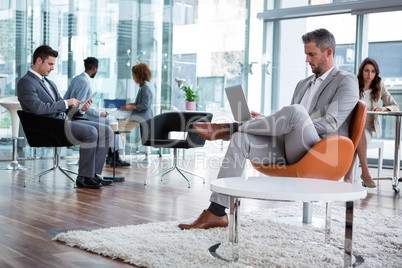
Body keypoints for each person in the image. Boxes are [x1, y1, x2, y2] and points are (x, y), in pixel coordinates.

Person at [178, 28, 359, 230]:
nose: (307, 60)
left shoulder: (346, 80)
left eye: (311, 54)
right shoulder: (303, 83)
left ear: (329, 52)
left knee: (295, 112)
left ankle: (231, 128)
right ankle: (216, 212)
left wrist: (291, 123)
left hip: (322, 152)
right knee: (241, 140)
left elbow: (331, 123)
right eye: (306, 55)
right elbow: (290, 120)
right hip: (291, 147)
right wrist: (268, 121)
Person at [17, 45, 114, 189]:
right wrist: (65, 102)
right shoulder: (26, 82)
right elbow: (38, 108)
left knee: (106, 130)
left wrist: (81, 109)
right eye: (50, 64)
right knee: (91, 132)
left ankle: (93, 174)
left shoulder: (49, 82)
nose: (52, 68)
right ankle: (84, 177)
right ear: (39, 61)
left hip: (61, 122)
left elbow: (63, 107)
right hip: (47, 128)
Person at [63, 57, 130, 167]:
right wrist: (99, 114)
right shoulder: (84, 82)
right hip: (79, 117)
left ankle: (113, 156)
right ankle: (114, 156)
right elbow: (81, 106)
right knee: (112, 121)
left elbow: (67, 99)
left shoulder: (76, 78)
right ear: (95, 69)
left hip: (71, 115)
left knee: (110, 121)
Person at [343, 58, 399, 187]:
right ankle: (364, 173)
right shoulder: (353, 84)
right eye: (367, 70)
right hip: (349, 127)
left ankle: (349, 176)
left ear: (376, 73)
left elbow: (395, 105)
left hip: (367, 129)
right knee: (356, 134)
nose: (369, 74)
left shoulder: (379, 86)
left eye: (373, 71)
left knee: (358, 134)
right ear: (361, 71)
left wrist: (384, 108)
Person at [119, 62, 153, 138]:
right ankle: (116, 148)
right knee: (121, 127)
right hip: (141, 116)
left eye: (134, 76)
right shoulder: (144, 87)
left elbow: (144, 105)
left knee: (121, 128)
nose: (133, 78)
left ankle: (116, 148)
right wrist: (129, 104)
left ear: (139, 76)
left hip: (141, 117)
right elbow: (140, 103)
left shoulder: (145, 88)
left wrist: (130, 107)